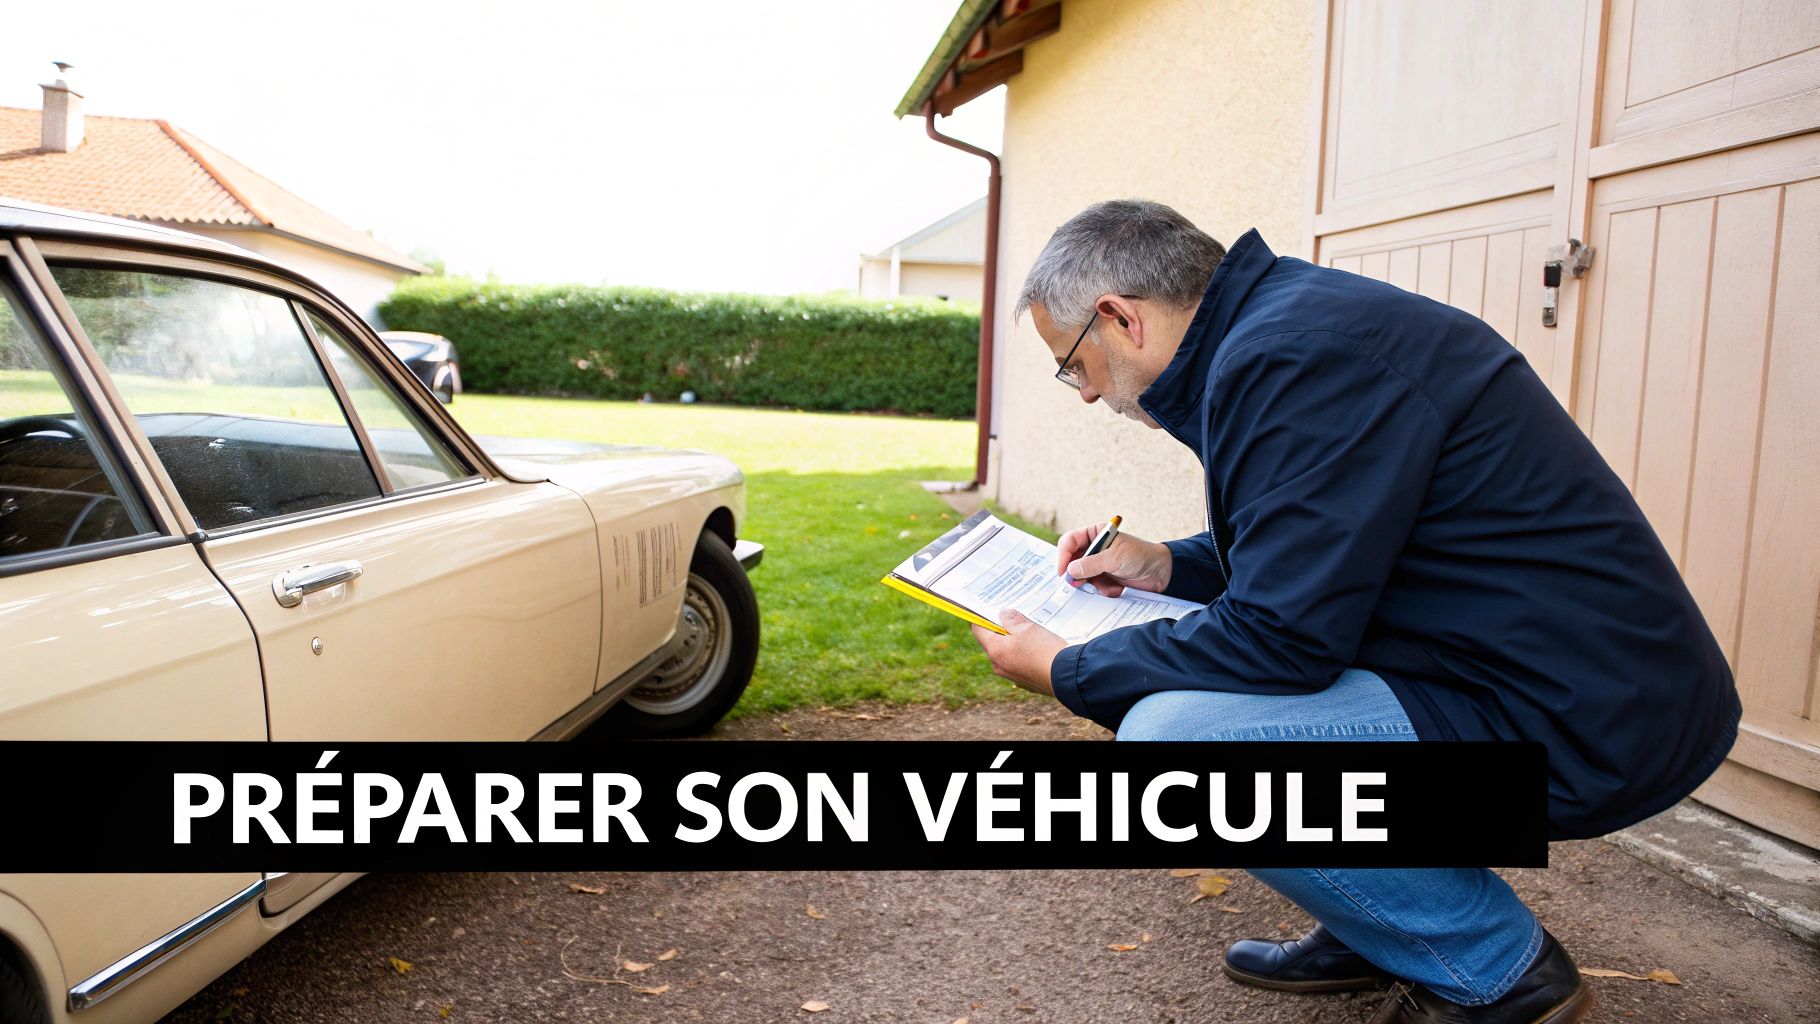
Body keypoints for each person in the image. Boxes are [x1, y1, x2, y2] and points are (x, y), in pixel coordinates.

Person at [970, 200, 1741, 1024]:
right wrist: (1163, 565)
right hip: (1522, 672)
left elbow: (1282, 639)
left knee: (1178, 740)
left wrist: (1068, 668)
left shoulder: (1293, 356)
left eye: (1072, 365)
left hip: (1583, 716)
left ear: (1121, 318)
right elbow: (1322, 548)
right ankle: (1384, 925)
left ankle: (1498, 975)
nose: (1084, 394)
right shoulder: (1286, 329)